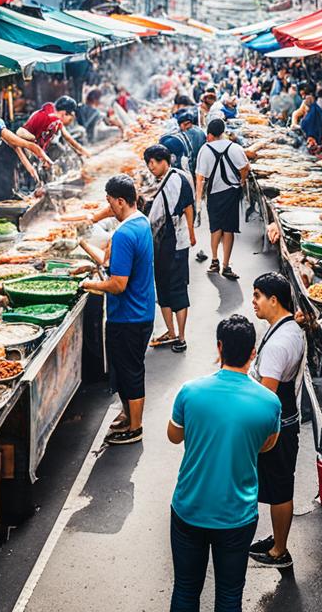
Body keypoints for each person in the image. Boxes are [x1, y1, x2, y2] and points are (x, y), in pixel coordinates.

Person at [167, 315, 280, 612]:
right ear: (253, 353)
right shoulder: (270, 403)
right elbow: (267, 446)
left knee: (185, 590)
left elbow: (174, 436)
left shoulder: (190, 391)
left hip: (189, 507)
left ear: (219, 347)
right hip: (237, 514)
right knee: (230, 596)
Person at [80, 175, 155, 445]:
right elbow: (111, 264)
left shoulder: (123, 234)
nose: (108, 206)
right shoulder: (140, 221)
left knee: (130, 372)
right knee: (125, 370)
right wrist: (83, 245)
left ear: (121, 201)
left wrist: (88, 284)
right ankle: (127, 415)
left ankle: (135, 427)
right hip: (141, 311)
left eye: (110, 201)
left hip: (128, 316)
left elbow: (118, 284)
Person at [248, 273, 305, 570]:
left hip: (278, 426)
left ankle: (279, 551)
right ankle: (277, 540)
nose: (253, 301)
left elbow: (266, 397)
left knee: (280, 489)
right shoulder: (289, 327)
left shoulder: (278, 345)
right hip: (287, 419)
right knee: (279, 485)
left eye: (258, 295)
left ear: (274, 300)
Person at [144, 145, 196, 353]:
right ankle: (172, 333)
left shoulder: (176, 179)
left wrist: (191, 232)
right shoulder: (164, 180)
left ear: (164, 160)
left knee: (174, 289)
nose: (150, 167)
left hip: (174, 243)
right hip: (164, 244)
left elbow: (187, 207)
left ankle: (179, 336)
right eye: (148, 163)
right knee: (165, 287)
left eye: (153, 162)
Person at [194, 118, 250, 280]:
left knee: (215, 228)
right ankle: (226, 266)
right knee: (229, 229)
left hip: (214, 194)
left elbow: (200, 178)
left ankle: (214, 261)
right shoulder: (235, 148)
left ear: (210, 134)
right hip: (232, 192)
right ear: (223, 132)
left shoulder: (205, 150)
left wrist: (198, 200)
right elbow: (245, 167)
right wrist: (242, 181)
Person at [19, 97, 92, 160]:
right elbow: (22, 135)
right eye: (71, 118)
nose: (71, 121)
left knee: (60, 149)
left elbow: (68, 137)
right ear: (64, 113)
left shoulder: (56, 119)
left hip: (36, 150)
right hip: (26, 149)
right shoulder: (46, 117)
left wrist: (82, 151)